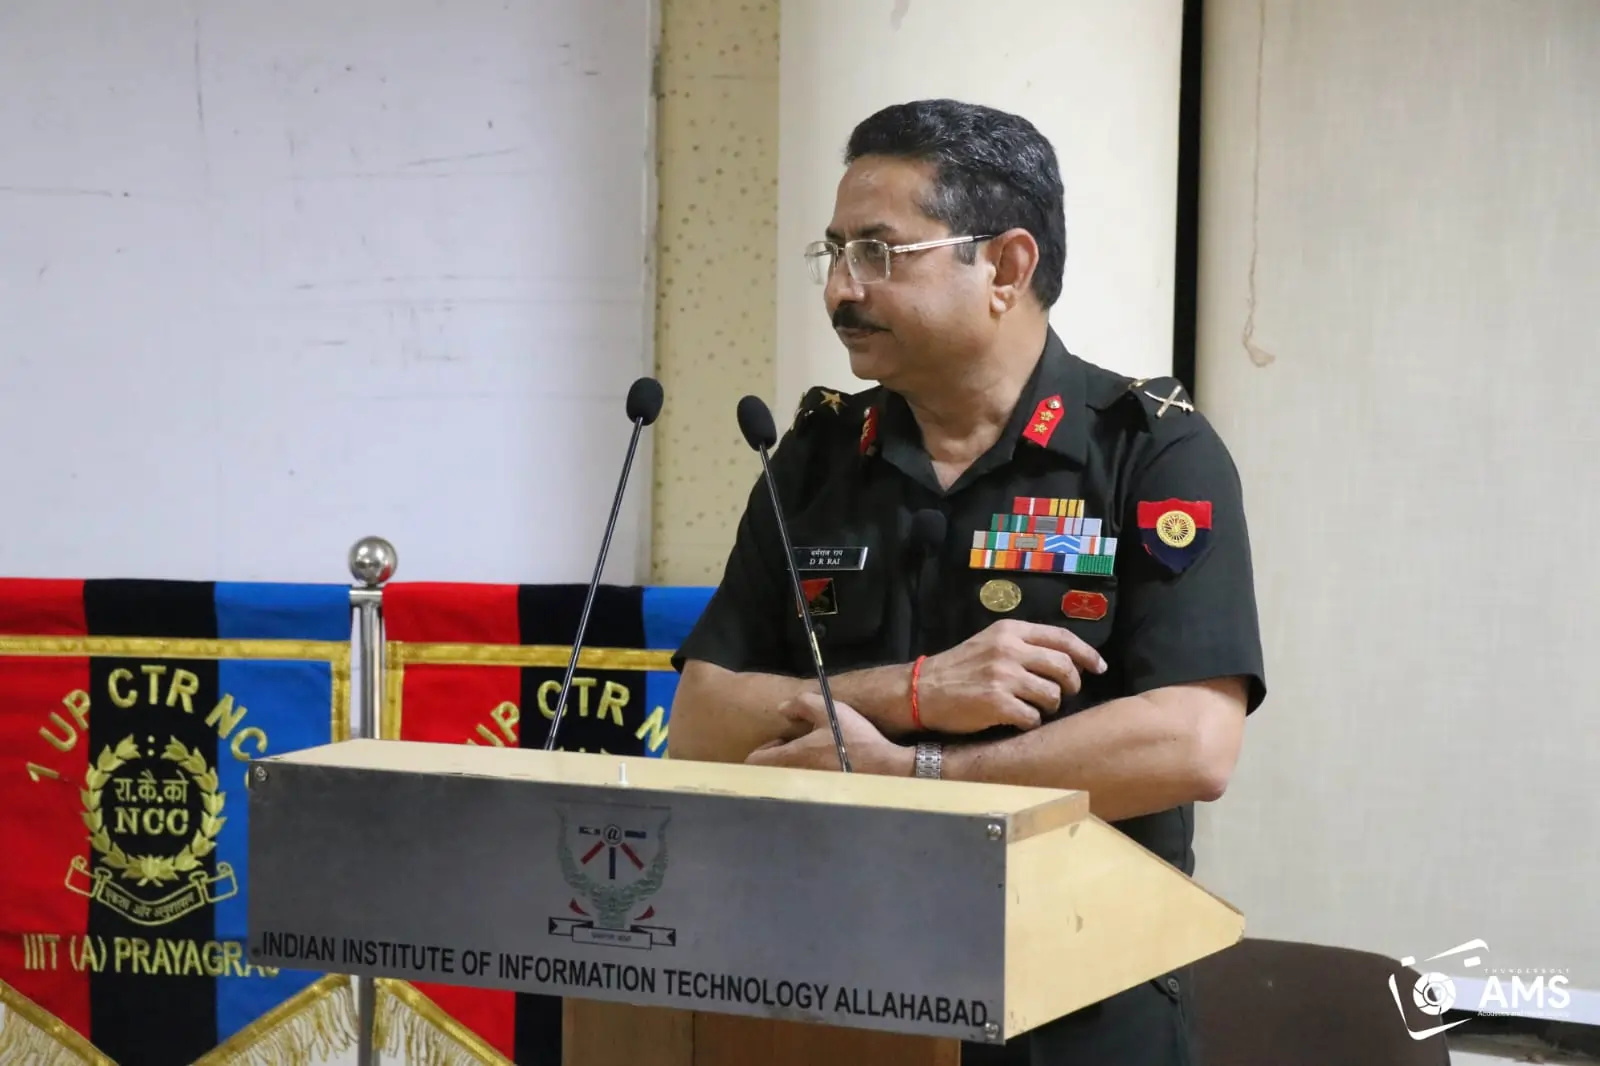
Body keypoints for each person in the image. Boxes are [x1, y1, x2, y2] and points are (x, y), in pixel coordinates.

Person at [668, 98, 1266, 1066]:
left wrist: (921, 774)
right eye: (834, 254)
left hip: (1073, 987)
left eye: (878, 252)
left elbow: (1191, 742)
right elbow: (700, 720)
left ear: (1005, 265)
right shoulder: (816, 456)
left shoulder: (1147, 451)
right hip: (831, 976)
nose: (840, 292)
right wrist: (911, 691)